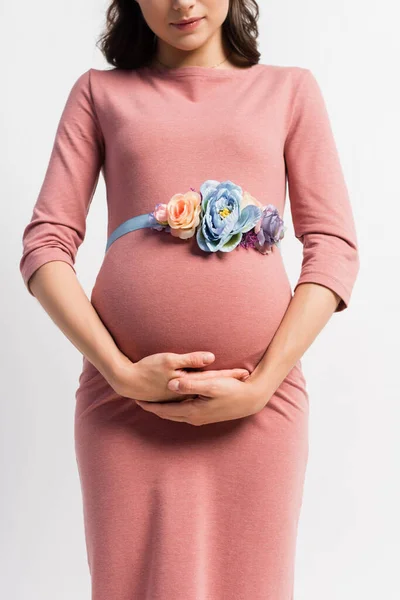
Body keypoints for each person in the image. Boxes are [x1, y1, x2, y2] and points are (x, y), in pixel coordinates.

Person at [19, 1, 360, 598]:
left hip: (262, 408)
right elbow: (45, 247)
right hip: (125, 411)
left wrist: (261, 385)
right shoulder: (99, 93)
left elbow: (333, 248)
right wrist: (121, 374)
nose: (182, 2)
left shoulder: (290, 90)